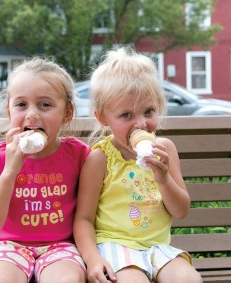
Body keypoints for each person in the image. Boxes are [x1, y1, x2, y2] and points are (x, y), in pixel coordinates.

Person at [73, 47, 202, 283]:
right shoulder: (100, 158)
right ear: (103, 118)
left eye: (149, 111)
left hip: (158, 248)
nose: (141, 123)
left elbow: (181, 211)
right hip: (115, 246)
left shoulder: (165, 150)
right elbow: (83, 218)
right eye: (126, 115)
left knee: (189, 279)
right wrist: (92, 259)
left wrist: (163, 179)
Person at [0, 57, 90, 283]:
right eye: (21, 104)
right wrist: (10, 170)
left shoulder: (78, 155)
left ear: (67, 113)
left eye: (45, 105)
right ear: (9, 112)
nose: (32, 114)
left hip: (61, 248)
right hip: (8, 247)